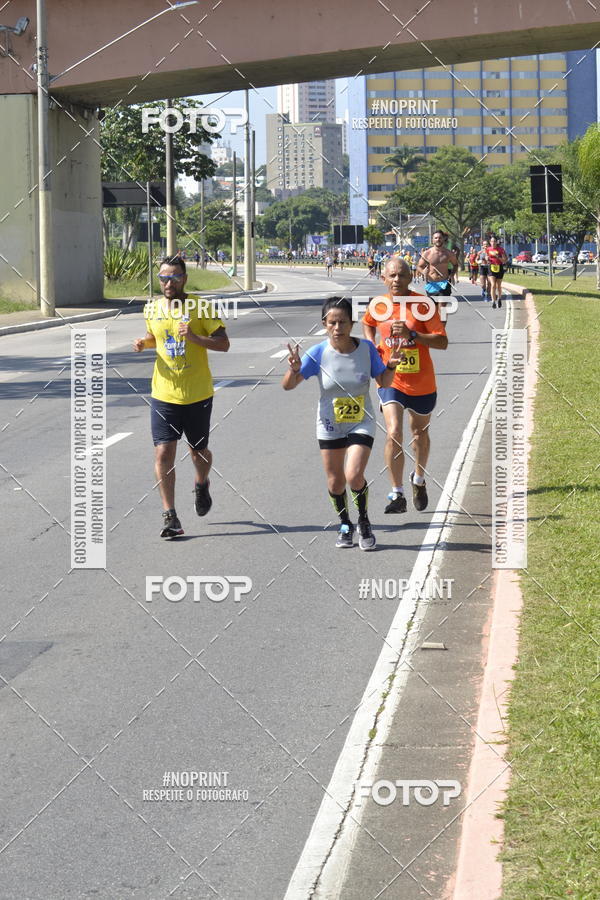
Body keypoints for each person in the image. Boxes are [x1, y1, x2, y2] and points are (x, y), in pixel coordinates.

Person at [282, 297, 403, 550]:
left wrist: (391, 366)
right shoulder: (318, 353)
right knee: (335, 482)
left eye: (343, 322)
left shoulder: (366, 349)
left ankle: (364, 521)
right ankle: (345, 524)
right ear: (324, 324)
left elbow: (383, 381)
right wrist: (294, 369)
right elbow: (288, 386)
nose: (338, 328)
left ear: (352, 323)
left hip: (361, 421)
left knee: (354, 475)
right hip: (329, 424)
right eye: (332, 323)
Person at [133, 255, 230, 538]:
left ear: (184, 279)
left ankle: (201, 483)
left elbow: (224, 343)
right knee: (163, 452)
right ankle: (170, 516)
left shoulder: (201, 307)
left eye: (174, 277)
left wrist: (195, 338)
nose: (168, 283)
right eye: (163, 277)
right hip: (163, 393)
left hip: (197, 393)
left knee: (198, 451)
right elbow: (155, 337)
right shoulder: (151, 308)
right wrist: (144, 343)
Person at [362, 258, 448, 514]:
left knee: (419, 433)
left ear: (411, 278)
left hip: (422, 381)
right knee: (394, 432)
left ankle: (418, 479)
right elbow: (367, 323)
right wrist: (373, 346)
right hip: (391, 379)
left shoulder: (423, 305)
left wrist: (413, 335)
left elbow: (442, 342)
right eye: (392, 275)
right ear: (384, 279)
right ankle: (397, 492)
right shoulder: (378, 305)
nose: (396, 280)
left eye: (402, 275)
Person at [416, 231, 458, 308]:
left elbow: (455, 265)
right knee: (433, 309)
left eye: (440, 238)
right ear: (432, 240)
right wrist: (423, 271)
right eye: (436, 238)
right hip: (431, 284)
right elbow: (419, 266)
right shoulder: (427, 253)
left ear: (443, 239)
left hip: (444, 283)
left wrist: (452, 274)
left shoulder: (448, 253)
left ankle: (442, 316)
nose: (438, 239)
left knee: (442, 307)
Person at [486, 234, 508, 309]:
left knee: (498, 285)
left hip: (499, 267)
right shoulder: (488, 249)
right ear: (490, 242)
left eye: (494, 241)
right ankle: (493, 301)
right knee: (493, 285)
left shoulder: (501, 250)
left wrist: (497, 256)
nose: (493, 243)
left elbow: (505, 260)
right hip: (491, 267)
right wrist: (486, 258)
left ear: (497, 242)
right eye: (492, 241)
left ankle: (499, 299)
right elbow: (486, 257)